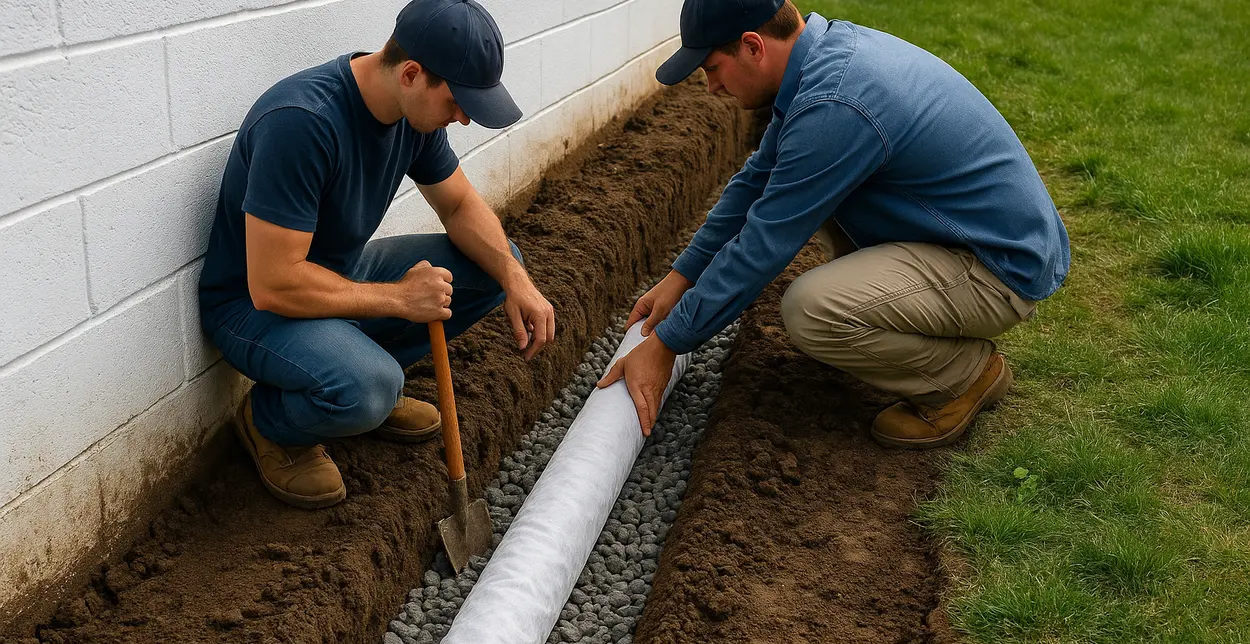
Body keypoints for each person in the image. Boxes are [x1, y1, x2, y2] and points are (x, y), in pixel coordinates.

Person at [598, 0, 1068, 450]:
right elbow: (755, 184)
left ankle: (963, 376)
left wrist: (667, 343)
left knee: (811, 309)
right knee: (804, 196)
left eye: (712, 69)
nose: (711, 88)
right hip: (974, 234)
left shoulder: (834, 104)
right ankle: (899, 324)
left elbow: (764, 244)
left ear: (752, 46)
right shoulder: (823, 59)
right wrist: (683, 276)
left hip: (997, 267)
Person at [198, 0, 555, 509]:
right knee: (367, 389)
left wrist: (518, 279)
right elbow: (274, 282)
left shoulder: (412, 116)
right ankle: (272, 423)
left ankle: (363, 375)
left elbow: (457, 204)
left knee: (496, 264)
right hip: (253, 306)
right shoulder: (303, 123)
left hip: (337, 275)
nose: (463, 119)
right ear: (412, 74)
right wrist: (400, 300)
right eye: (458, 102)